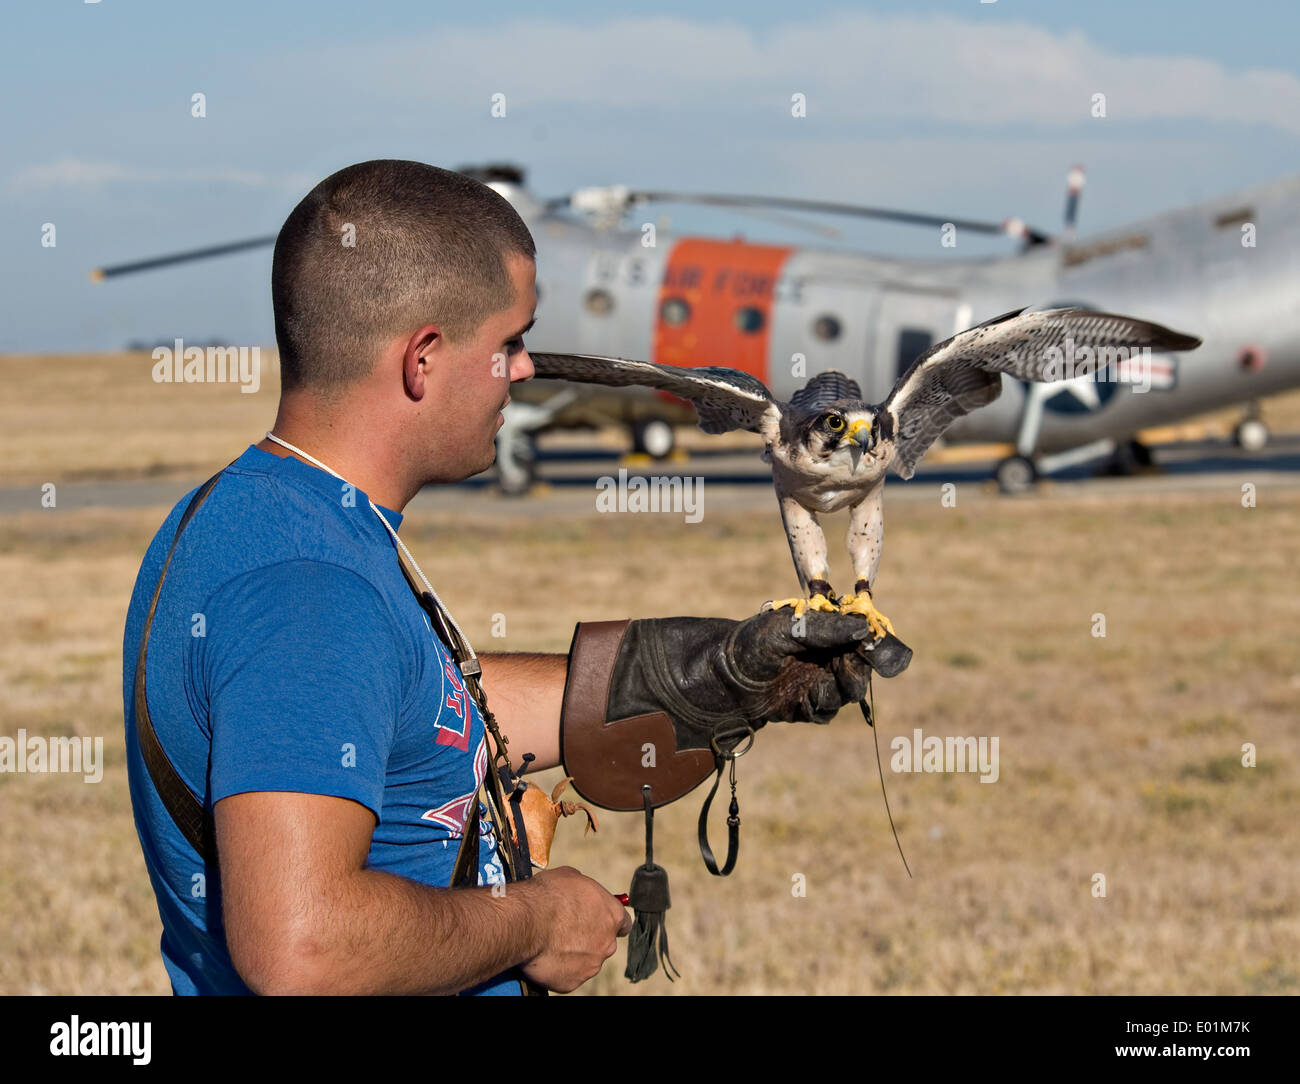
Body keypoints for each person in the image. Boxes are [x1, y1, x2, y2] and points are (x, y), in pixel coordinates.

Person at [122, 159, 886, 996]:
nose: (525, 370)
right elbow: (307, 946)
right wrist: (537, 920)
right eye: (509, 343)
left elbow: (418, 715)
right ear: (423, 359)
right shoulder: (307, 590)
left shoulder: (268, 516)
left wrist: (719, 676)